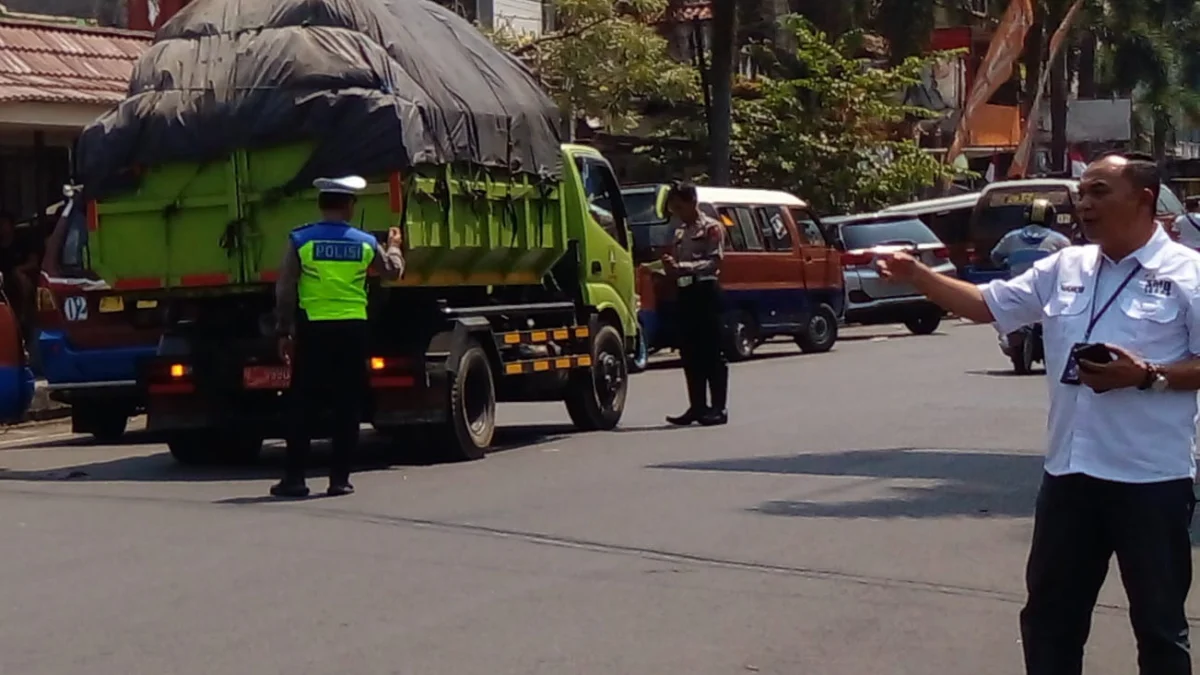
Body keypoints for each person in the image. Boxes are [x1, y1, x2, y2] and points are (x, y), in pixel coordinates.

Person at [876, 152, 1200, 675]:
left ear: (1142, 199)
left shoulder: (1189, 274)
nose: (1083, 203)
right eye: (1082, 191)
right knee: (1050, 621)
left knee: (1159, 627)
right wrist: (918, 275)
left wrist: (1149, 375)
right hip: (1070, 477)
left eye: (1099, 191)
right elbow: (987, 304)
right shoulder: (1064, 267)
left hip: (1150, 481)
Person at [271, 176, 405, 498]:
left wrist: (284, 331)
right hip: (353, 330)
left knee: (302, 403)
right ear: (349, 207)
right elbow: (393, 272)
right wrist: (395, 246)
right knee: (347, 404)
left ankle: (295, 480)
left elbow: (285, 290)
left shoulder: (301, 239)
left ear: (321, 205)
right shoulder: (365, 242)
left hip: (313, 329)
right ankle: (340, 480)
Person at [661, 181, 728, 426]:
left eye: (680, 206)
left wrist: (683, 267)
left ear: (692, 202)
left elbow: (714, 262)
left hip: (706, 292)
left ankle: (718, 409)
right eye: (673, 208)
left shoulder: (712, 228)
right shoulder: (680, 232)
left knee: (712, 352)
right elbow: (677, 266)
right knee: (689, 353)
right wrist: (667, 268)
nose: (677, 212)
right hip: (686, 293)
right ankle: (697, 406)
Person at [990, 198, 1072, 277]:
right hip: (1048, 288)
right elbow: (1070, 263)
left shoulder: (1011, 237)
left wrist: (1007, 265)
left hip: (1017, 286)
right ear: (1050, 218)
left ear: (1026, 216)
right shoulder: (1061, 241)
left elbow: (995, 257)